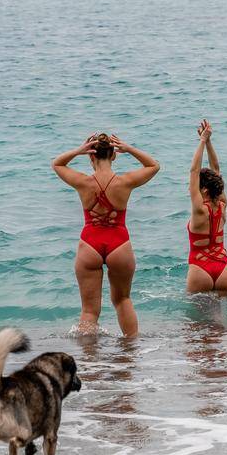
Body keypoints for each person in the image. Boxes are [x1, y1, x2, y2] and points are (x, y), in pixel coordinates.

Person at [51, 132, 160, 337]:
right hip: (119, 243)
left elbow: (57, 164)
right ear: (114, 155)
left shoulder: (83, 182)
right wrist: (129, 148)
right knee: (123, 300)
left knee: (89, 310)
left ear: (90, 156)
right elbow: (154, 166)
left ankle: (90, 363)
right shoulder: (125, 182)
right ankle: (130, 353)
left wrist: (78, 150)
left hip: (90, 243)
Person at [186, 119, 227, 294]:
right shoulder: (222, 205)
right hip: (224, 269)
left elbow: (193, 171)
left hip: (200, 268)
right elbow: (216, 168)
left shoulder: (199, 209)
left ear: (203, 190)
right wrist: (208, 141)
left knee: (196, 322)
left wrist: (202, 141)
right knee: (223, 320)